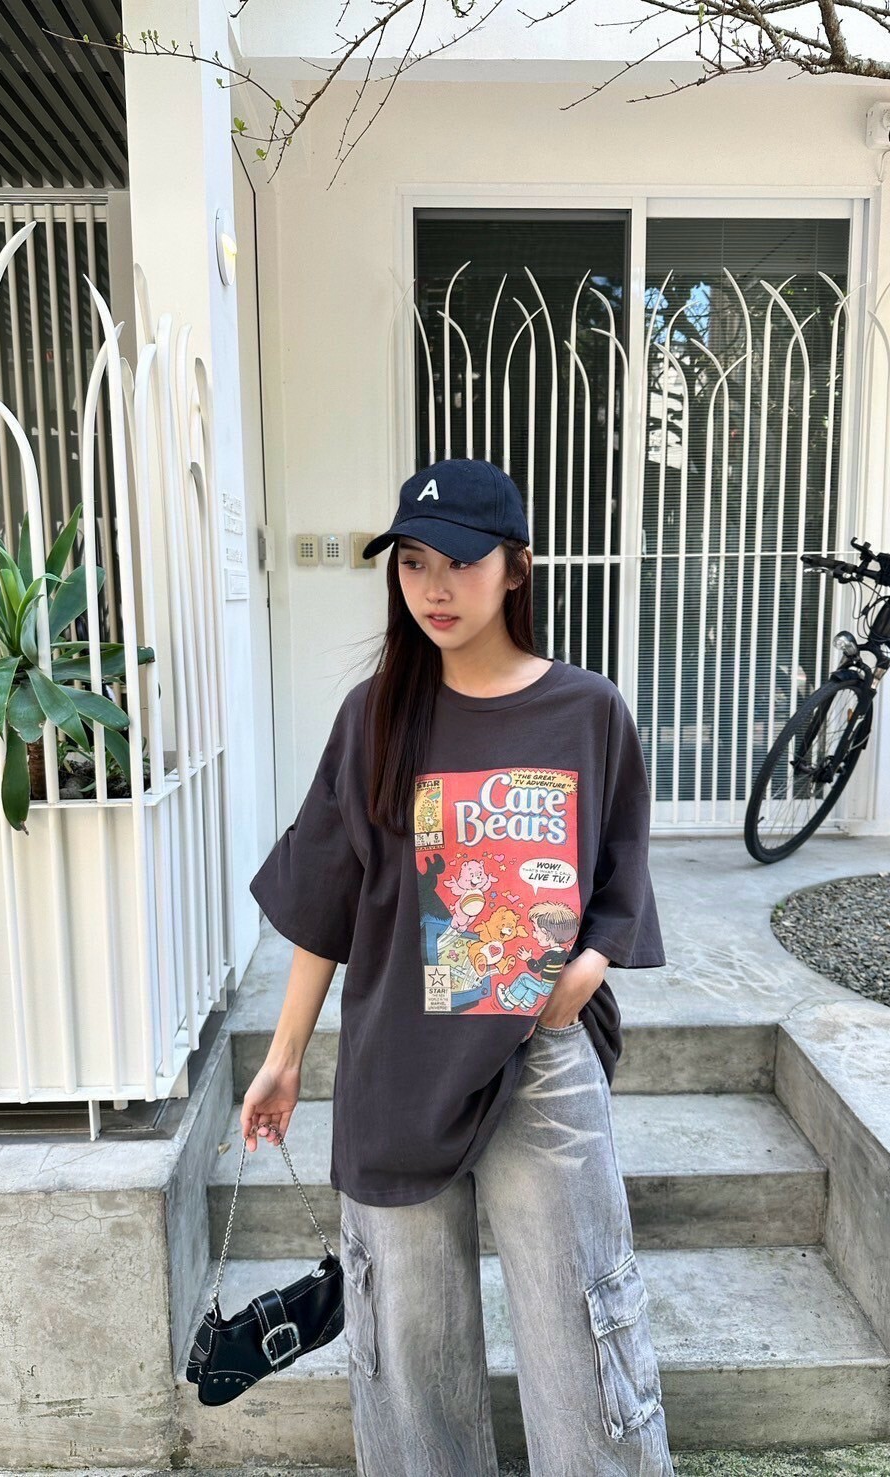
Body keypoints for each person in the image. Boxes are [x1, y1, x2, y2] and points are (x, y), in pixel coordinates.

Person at [242, 458, 676, 1476]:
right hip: (398, 1064)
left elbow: (622, 865)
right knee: (410, 1352)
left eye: (461, 562)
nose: (434, 588)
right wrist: (285, 1056)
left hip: (540, 1059)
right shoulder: (374, 716)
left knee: (582, 1329)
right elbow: (327, 899)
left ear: (516, 568)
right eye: (413, 563)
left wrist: (589, 964)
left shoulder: (586, 709)